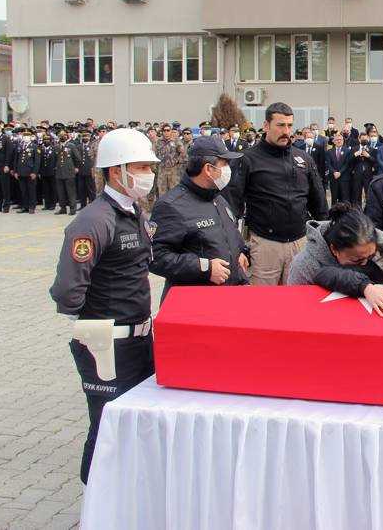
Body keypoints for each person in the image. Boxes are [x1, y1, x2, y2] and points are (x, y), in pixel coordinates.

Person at [49, 128, 160, 484]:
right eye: (141, 167)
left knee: (132, 424)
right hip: (106, 342)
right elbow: (68, 289)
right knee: (106, 427)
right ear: (116, 171)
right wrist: (95, 319)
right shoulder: (94, 220)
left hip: (139, 339)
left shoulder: (135, 213)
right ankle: (94, 505)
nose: (148, 175)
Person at [227, 102, 328, 286]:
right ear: (266, 126)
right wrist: (237, 248)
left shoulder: (304, 159)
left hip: (300, 245)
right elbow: (232, 206)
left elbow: (319, 204)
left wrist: (324, 243)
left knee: (298, 305)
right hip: (264, 246)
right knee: (262, 307)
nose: (286, 131)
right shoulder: (248, 159)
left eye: (290, 125)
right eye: (280, 125)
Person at [149, 136, 250, 303]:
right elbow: (156, 257)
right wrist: (204, 268)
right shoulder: (172, 206)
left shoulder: (219, 199)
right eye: (224, 164)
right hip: (194, 304)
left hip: (227, 298)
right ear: (208, 169)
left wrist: (241, 256)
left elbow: (230, 237)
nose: (228, 169)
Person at [287, 203, 383, 317]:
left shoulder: (381, 240)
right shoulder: (304, 265)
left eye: (371, 257)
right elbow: (296, 307)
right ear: (334, 249)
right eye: (357, 260)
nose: (365, 263)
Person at [12, 129, 42, 214]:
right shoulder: (20, 146)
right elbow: (16, 160)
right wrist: (16, 171)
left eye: (27, 136)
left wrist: (34, 172)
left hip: (30, 172)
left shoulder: (34, 146)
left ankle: (32, 207)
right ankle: (25, 206)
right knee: (23, 190)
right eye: (24, 136)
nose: (26, 138)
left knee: (31, 190)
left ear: (30, 137)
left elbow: (37, 161)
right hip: (21, 171)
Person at [54, 131, 81, 215]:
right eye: (60, 136)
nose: (62, 137)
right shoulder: (57, 146)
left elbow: (78, 158)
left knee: (71, 191)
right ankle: (63, 208)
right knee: (61, 192)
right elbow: (55, 159)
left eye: (64, 135)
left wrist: (76, 167)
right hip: (59, 172)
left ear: (67, 136)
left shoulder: (71, 146)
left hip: (69, 171)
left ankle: (73, 208)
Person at [326, 133, 355, 205]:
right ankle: (334, 215)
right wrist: (334, 172)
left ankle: (346, 215)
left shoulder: (348, 151)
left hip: (344, 178)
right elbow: (328, 164)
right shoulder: (329, 152)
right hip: (334, 178)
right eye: (337, 140)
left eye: (340, 140)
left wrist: (340, 172)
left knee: (345, 199)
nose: (339, 141)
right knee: (334, 199)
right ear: (334, 141)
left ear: (343, 141)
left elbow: (347, 163)